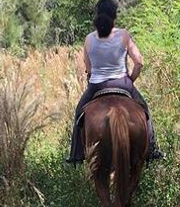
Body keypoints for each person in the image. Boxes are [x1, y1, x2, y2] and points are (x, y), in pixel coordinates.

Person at [66, 0, 164, 165]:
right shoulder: (124, 35)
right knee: (145, 111)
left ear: (97, 14)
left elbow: (89, 70)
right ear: (114, 15)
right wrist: (130, 80)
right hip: (123, 83)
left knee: (79, 115)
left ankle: (75, 154)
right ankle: (152, 149)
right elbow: (139, 62)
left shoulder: (89, 39)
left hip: (97, 85)